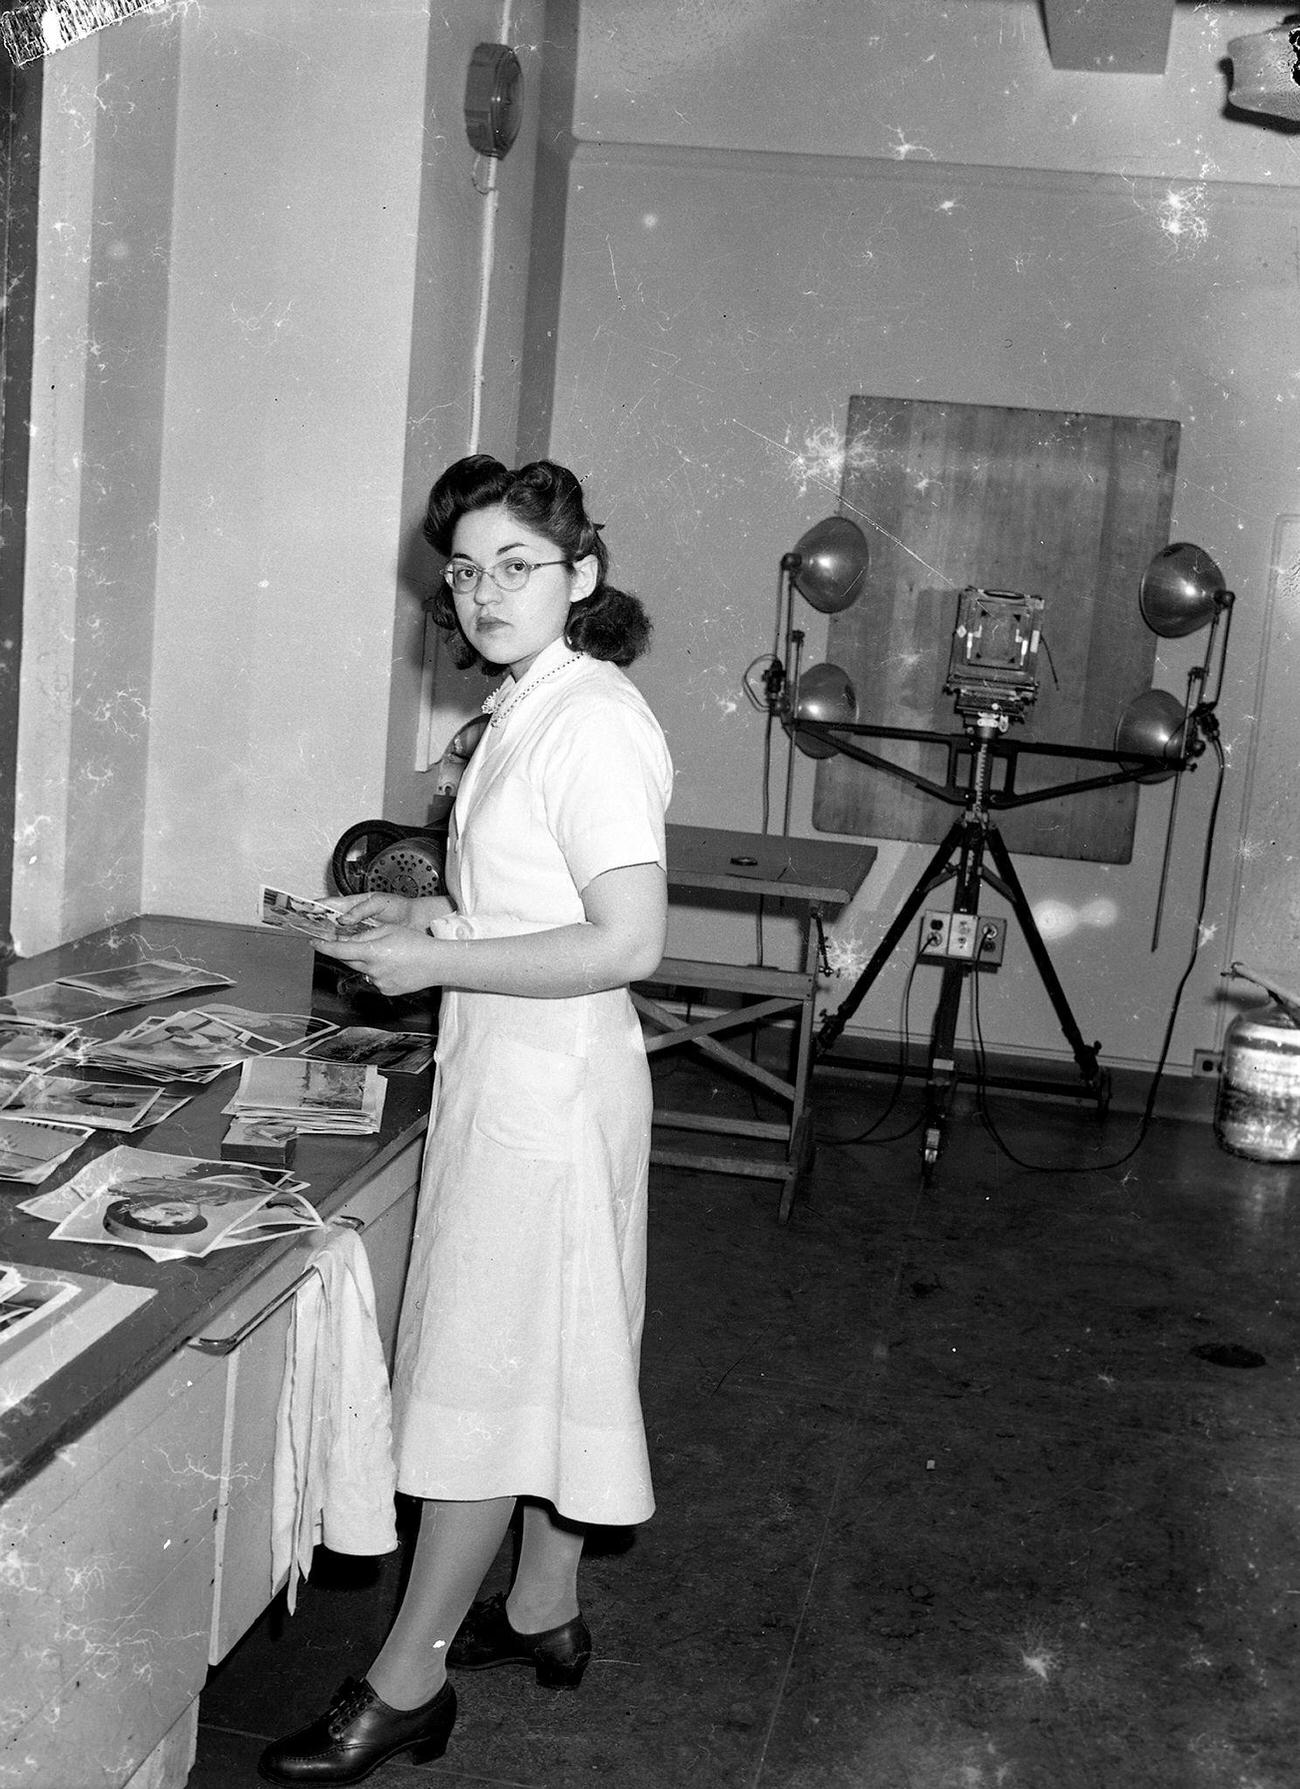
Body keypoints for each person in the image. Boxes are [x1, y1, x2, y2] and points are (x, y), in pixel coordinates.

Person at [258, 456, 672, 1786]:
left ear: (582, 577)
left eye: (519, 566)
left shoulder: (591, 719)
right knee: (552, 1344)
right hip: (523, 1072)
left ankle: (407, 1679)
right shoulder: (526, 704)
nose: (486, 592)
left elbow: (627, 938)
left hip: (548, 1091)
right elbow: (525, 904)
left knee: (485, 1377)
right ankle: (543, 1602)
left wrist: (438, 963)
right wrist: (417, 918)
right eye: (469, 569)